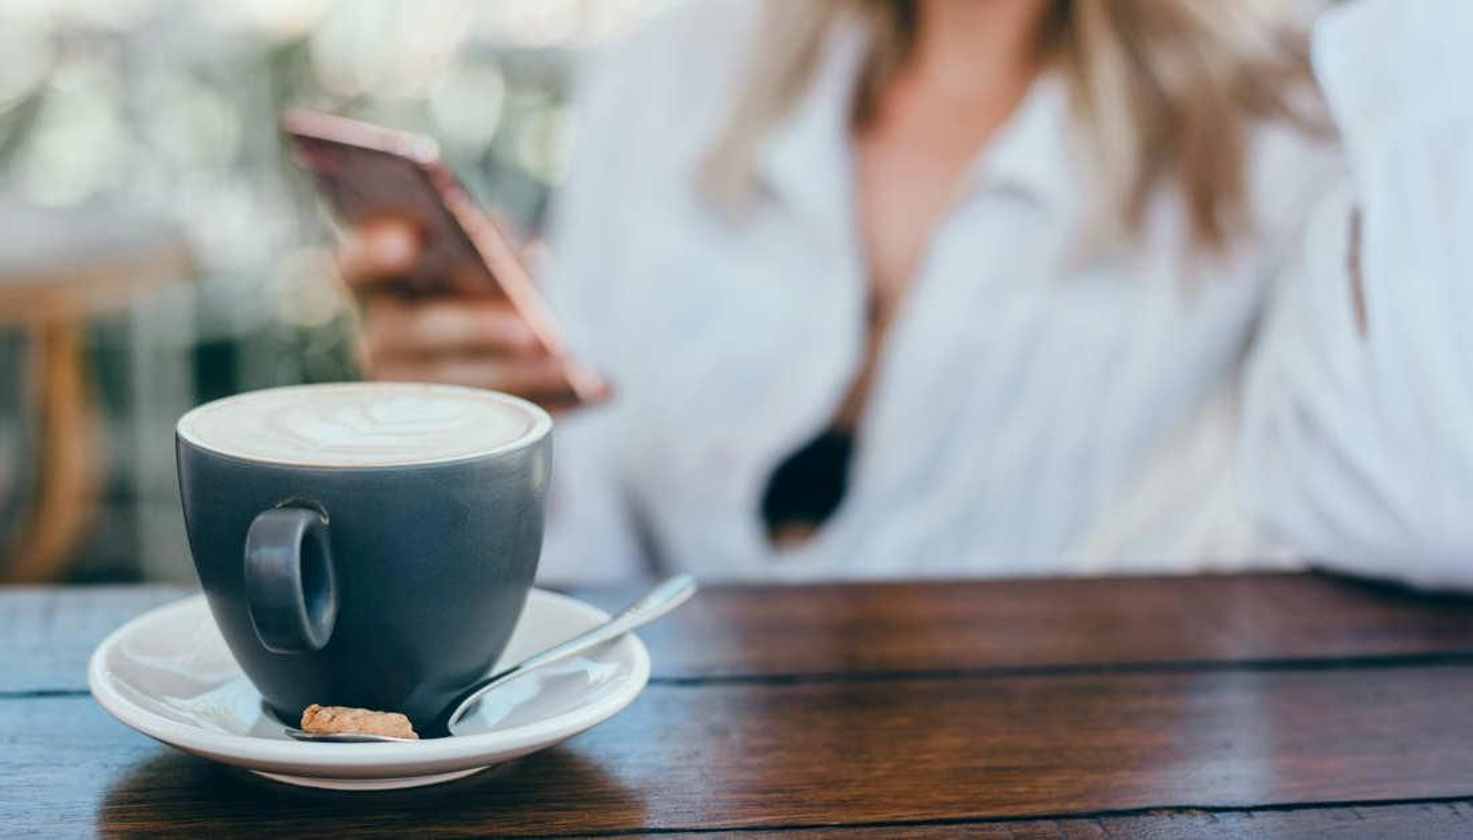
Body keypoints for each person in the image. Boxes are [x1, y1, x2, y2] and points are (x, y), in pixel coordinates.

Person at [339, 0, 1473, 589]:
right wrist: (476, 439)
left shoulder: (1299, 118)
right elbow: (585, 562)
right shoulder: (674, 74)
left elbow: (1440, 505)